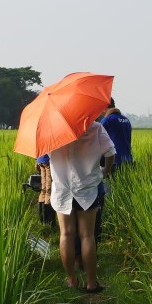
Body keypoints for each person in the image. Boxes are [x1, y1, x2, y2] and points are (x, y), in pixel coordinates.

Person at [48, 118, 115, 293]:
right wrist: (106, 170)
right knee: (87, 235)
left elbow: (43, 156)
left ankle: (71, 280)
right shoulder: (95, 127)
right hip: (87, 188)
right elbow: (110, 152)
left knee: (66, 234)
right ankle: (91, 283)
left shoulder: (51, 129)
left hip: (62, 188)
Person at [100, 98, 133, 169]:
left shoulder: (107, 120)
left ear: (104, 107)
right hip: (128, 160)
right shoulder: (126, 120)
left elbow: (98, 141)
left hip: (113, 162)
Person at [36, 154, 57, 228]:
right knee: (49, 191)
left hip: (40, 160)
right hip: (47, 162)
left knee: (43, 190)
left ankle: (42, 220)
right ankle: (49, 221)